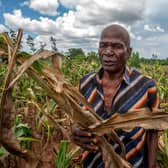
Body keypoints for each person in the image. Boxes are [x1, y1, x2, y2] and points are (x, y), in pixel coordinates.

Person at [71, 24, 159, 168]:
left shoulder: (146, 86)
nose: (108, 52)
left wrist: (152, 165)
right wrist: (74, 130)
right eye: (103, 45)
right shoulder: (85, 83)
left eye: (117, 46)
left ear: (129, 52)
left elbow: (153, 132)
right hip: (93, 163)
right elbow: (77, 118)